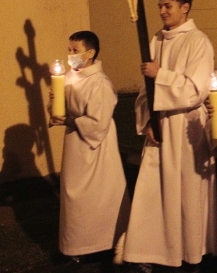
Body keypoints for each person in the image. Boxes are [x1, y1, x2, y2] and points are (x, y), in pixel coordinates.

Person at [122, 0, 217, 271]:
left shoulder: (199, 41)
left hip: (186, 127)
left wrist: (160, 74)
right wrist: (149, 119)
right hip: (160, 127)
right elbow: (144, 89)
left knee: (185, 193)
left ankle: (189, 251)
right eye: (160, 6)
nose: (162, 11)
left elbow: (195, 90)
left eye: (168, 6)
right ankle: (154, 250)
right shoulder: (156, 40)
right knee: (154, 192)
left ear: (185, 7)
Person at [48, 31, 130, 264]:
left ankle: (104, 242)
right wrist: (55, 103)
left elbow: (98, 123)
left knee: (98, 196)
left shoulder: (100, 83)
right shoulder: (69, 76)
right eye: (69, 50)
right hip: (75, 144)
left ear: (90, 53)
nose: (70, 55)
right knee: (74, 196)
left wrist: (69, 120)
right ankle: (77, 244)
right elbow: (58, 108)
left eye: (75, 50)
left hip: (97, 148)